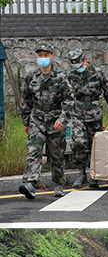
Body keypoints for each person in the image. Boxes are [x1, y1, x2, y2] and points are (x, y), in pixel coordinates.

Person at [19, 42, 72, 200]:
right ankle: (30, 183)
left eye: (46, 55)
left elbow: (69, 101)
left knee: (56, 155)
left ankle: (58, 184)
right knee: (34, 150)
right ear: (37, 57)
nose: (42, 58)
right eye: (40, 55)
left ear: (52, 57)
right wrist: (26, 122)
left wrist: (62, 119)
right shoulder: (31, 77)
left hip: (55, 121)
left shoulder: (61, 77)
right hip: (37, 120)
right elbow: (26, 101)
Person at [66, 47, 108, 189]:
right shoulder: (71, 76)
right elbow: (66, 96)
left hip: (94, 114)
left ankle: (94, 176)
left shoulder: (99, 73)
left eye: (80, 65)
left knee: (95, 146)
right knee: (79, 143)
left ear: (86, 60)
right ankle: (81, 174)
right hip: (77, 113)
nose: (79, 68)